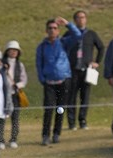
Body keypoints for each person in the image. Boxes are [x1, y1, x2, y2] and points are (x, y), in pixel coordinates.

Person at [36, 17, 82, 145]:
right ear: (46, 30)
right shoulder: (42, 47)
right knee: (49, 109)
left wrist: (67, 24)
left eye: (55, 28)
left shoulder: (64, 42)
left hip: (64, 80)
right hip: (49, 82)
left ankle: (57, 134)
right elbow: (39, 64)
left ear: (58, 31)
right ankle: (45, 135)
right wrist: (42, 79)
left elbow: (78, 36)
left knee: (60, 109)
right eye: (50, 28)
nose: (52, 30)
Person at [63, 10, 104, 131]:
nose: (81, 20)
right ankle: (71, 123)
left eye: (83, 17)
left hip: (87, 70)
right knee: (71, 97)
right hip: (72, 70)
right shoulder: (69, 34)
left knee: (84, 97)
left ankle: (83, 120)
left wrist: (97, 62)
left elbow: (101, 47)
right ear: (75, 20)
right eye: (79, 18)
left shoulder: (91, 34)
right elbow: (63, 49)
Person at [0, 40, 27, 149]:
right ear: (7, 51)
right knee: (1, 118)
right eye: (12, 50)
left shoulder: (20, 65)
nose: (14, 52)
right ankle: (0, 140)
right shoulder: (0, 64)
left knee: (15, 118)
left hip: (15, 94)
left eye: (16, 50)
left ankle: (13, 139)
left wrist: (18, 85)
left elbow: (24, 79)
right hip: (2, 95)